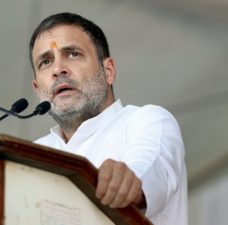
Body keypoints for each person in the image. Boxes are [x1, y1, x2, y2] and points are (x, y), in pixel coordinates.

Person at [29, 12, 188, 225]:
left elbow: (149, 170)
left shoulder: (146, 121)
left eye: (73, 54)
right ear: (38, 89)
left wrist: (131, 181)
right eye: (46, 62)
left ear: (109, 71)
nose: (58, 69)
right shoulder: (32, 154)